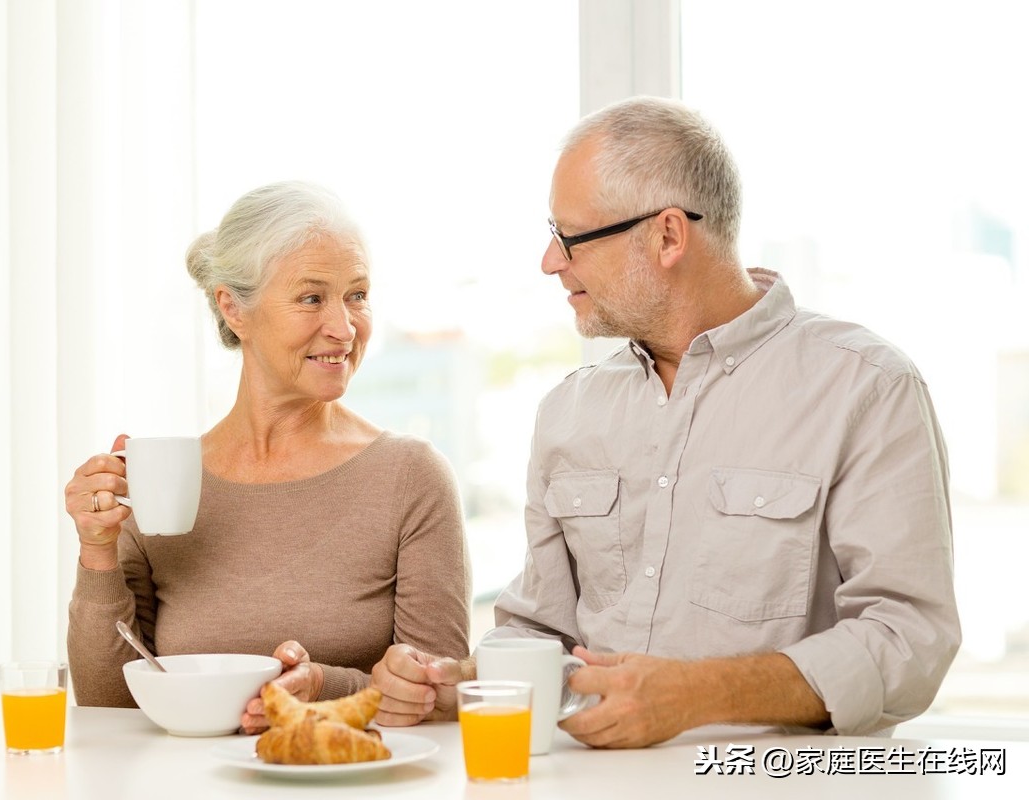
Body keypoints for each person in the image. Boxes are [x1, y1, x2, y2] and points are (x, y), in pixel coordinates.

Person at [371, 96, 960, 747]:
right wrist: (460, 684)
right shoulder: (568, 411)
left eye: (570, 237)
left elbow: (910, 641)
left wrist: (697, 695)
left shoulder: (865, 386)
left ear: (669, 235)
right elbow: (539, 633)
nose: (549, 261)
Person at [64, 181, 471, 732]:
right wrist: (97, 553)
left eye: (357, 294)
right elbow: (108, 709)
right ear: (234, 308)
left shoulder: (410, 476)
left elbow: (439, 697)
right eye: (312, 298)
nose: (345, 327)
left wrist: (327, 686)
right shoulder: (165, 480)